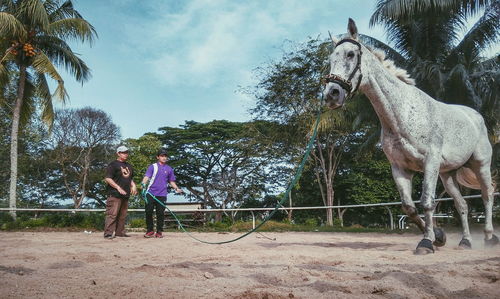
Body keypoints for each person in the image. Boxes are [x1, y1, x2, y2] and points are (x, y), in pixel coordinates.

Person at [141, 147, 182, 238]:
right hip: (150, 193)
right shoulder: (153, 167)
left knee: (160, 213)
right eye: (162, 156)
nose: (164, 157)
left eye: (165, 156)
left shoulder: (169, 169)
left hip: (162, 194)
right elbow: (147, 177)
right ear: (158, 157)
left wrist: (176, 188)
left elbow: (171, 181)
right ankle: (150, 230)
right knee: (148, 212)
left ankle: (159, 231)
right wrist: (143, 185)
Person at [103, 145, 137, 239]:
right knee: (112, 214)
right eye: (123, 152)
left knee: (122, 215)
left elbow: (130, 179)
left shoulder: (129, 166)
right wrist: (118, 187)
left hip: (125, 195)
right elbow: (108, 178)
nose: (125, 154)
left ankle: (120, 232)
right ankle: (108, 233)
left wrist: (133, 185)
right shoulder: (113, 165)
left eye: (126, 152)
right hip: (114, 194)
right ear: (118, 153)